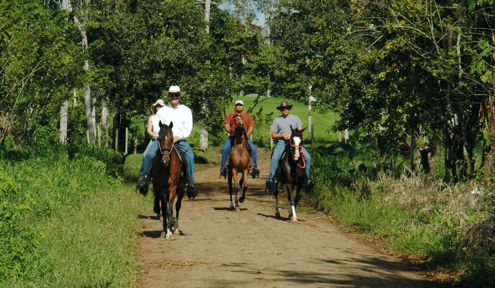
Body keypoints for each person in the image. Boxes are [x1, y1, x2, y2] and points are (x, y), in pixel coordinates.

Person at [156, 85, 197, 198]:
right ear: (168, 96)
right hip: (163, 141)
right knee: (148, 155)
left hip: (179, 140)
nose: (174, 97)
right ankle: (144, 178)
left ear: (179, 96)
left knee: (189, 157)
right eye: (172, 95)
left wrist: (180, 136)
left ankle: (191, 182)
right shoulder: (162, 110)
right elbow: (156, 125)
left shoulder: (186, 110)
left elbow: (188, 127)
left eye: (176, 95)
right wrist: (159, 136)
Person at [266, 100, 314, 192]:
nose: (285, 109)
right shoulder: (277, 120)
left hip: (295, 143)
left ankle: (306, 178)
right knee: (275, 158)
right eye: (283, 108)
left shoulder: (295, 118)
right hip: (282, 142)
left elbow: (300, 129)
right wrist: (282, 136)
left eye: (286, 108)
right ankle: (272, 178)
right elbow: (273, 135)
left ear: (289, 109)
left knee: (308, 158)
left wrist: (296, 134)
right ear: (280, 110)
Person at [220, 99, 259, 178]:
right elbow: (226, 125)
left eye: (240, 105)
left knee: (254, 149)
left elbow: (251, 127)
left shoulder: (248, 116)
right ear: (235, 106)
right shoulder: (231, 115)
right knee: (225, 149)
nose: (239, 106)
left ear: (243, 106)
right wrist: (230, 131)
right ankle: (223, 168)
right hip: (232, 138)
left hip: (245, 138)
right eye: (237, 105)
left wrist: (247, 134)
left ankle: (253, 168)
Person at [137, 99, 165, 190]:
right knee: (147, 155)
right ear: (155, 108)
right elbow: (149, 130)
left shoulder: (168, 117)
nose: (158, 107)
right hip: (156, 139)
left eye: (160, 106)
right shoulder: (152, 118)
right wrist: (154, 135)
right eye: (157, 106)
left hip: (166, 139)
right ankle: (144, 176)